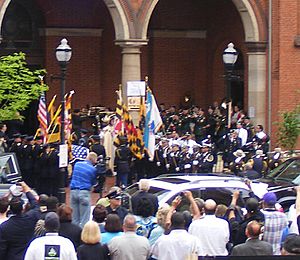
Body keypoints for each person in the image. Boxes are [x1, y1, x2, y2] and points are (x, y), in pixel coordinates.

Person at [0, 182, 39, 260]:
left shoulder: (4, 226)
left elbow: (2, 249)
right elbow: (36, 206)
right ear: (23, 208)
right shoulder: (30, 219)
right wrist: (27, 190)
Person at [70, 152, 98, 228]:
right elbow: (94, 183)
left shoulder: (77, 164)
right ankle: (82, 237)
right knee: (84, 219)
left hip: (73, 191)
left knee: (74, 218)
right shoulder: (93, 169)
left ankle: (74, 234)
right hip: (84, 192)